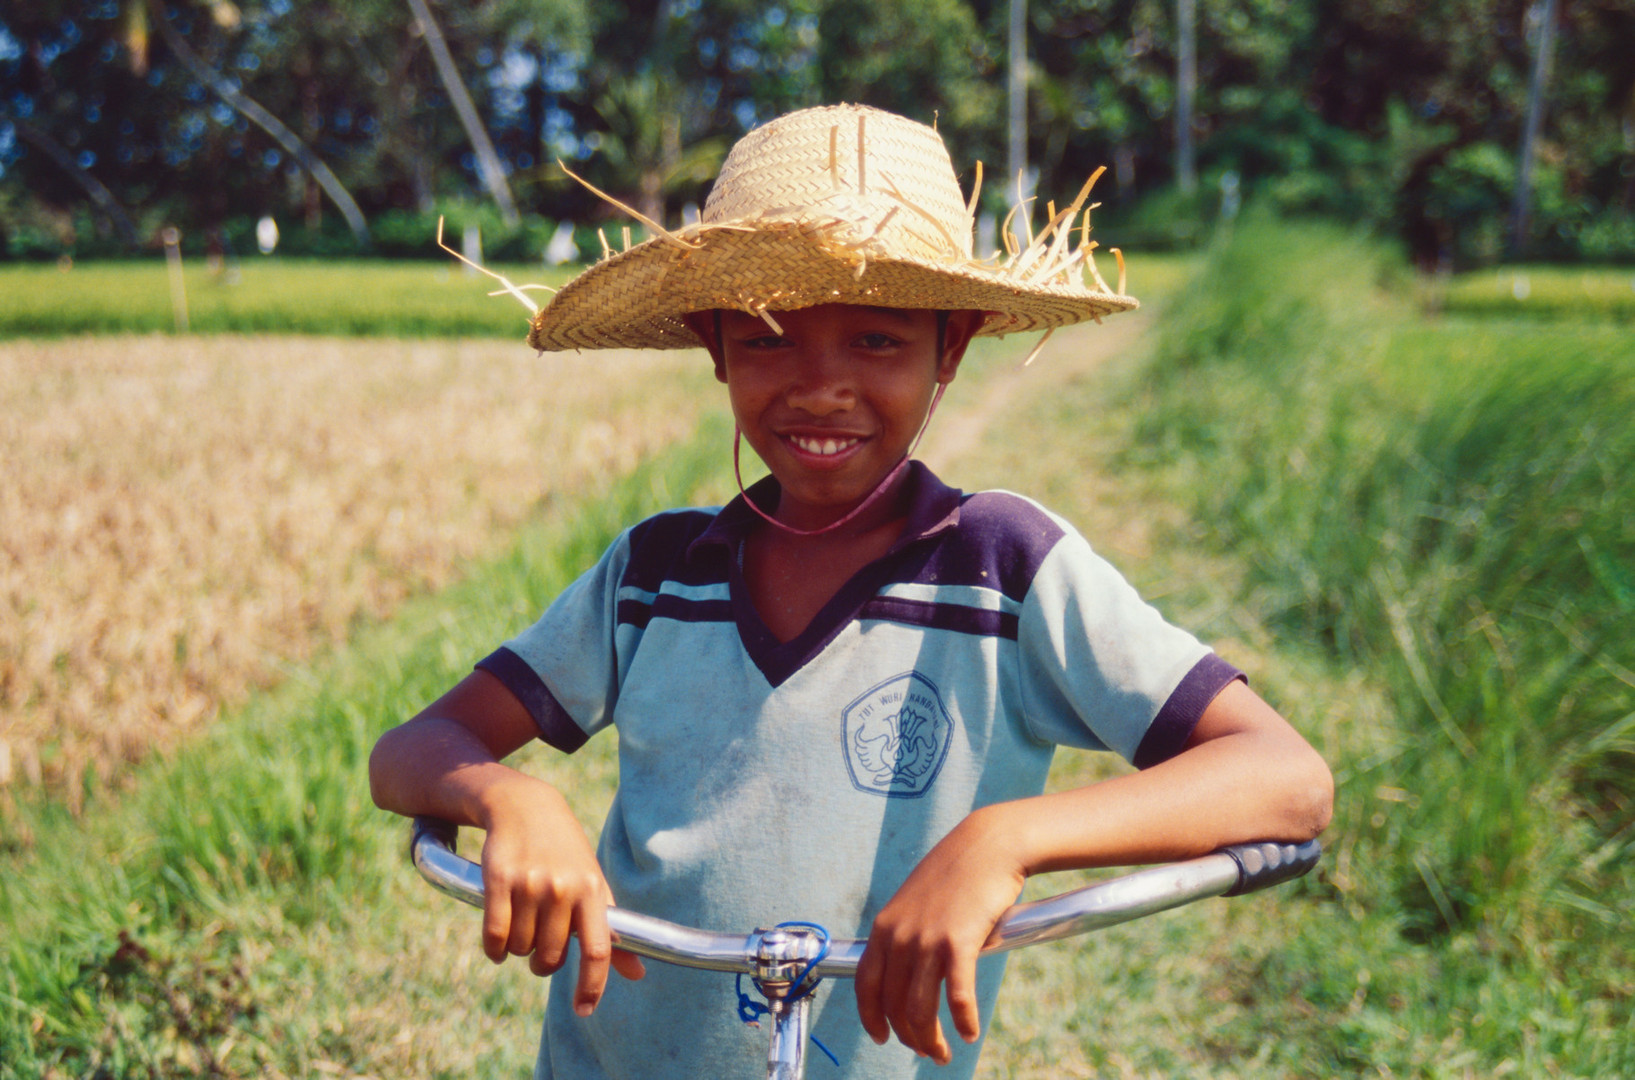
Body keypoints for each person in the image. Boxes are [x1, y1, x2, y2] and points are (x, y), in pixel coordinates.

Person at [369, 103, 1332, 1080]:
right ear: (715, 346)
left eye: (877, 341)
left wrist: (1004, 842)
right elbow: (410, 751)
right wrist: (508, 797)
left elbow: (1287, 782)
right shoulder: (655, 574)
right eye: (770, 339)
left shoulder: (1005, 571)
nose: (820, 388)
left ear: (949, 350)